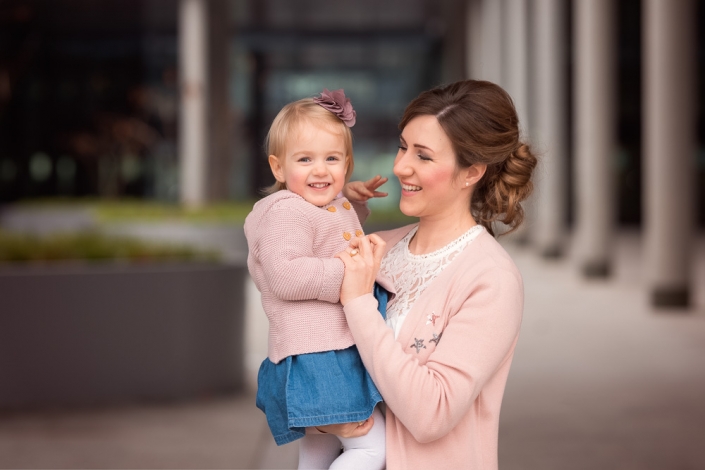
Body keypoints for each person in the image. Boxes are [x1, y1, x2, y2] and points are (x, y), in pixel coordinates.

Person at [321, 79, 538, 469]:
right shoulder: (378, 248)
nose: (400, 165)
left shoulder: (491, 280)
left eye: (423, 156)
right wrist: (336, 211)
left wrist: (357, 303)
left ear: (471, 172)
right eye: (403, 147)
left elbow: (431, 414)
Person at [244, 89, 389, 469]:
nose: (320, 170)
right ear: (278, 168)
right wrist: (351, 273)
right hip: (320, 357)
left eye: (332, 159)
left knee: (319, 452)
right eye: (305, 159)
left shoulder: (316, 202)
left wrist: (351, 200)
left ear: (347, 164)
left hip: (321, 351)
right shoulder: (286, 213)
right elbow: (286, 274)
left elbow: (327, 228)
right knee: (371, 448)